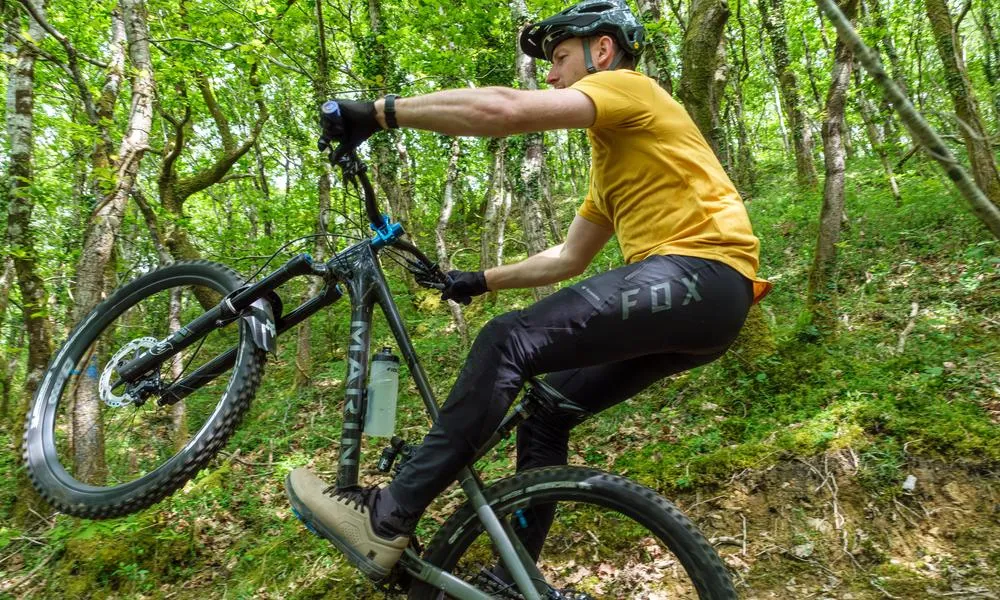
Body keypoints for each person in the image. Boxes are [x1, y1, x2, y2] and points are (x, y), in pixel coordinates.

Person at [285, 0, 771, 580]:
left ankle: (386, 516)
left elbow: (505, 109)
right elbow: (568, 256)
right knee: (546, 413)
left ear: (604, 50)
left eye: (560, 58)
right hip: (709, 305)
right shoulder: (616, 160)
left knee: (508, 341)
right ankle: (515, 577)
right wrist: (480, 280)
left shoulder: (631, 88)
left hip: (698, 273)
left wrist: (380, 112)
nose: (551, 73)